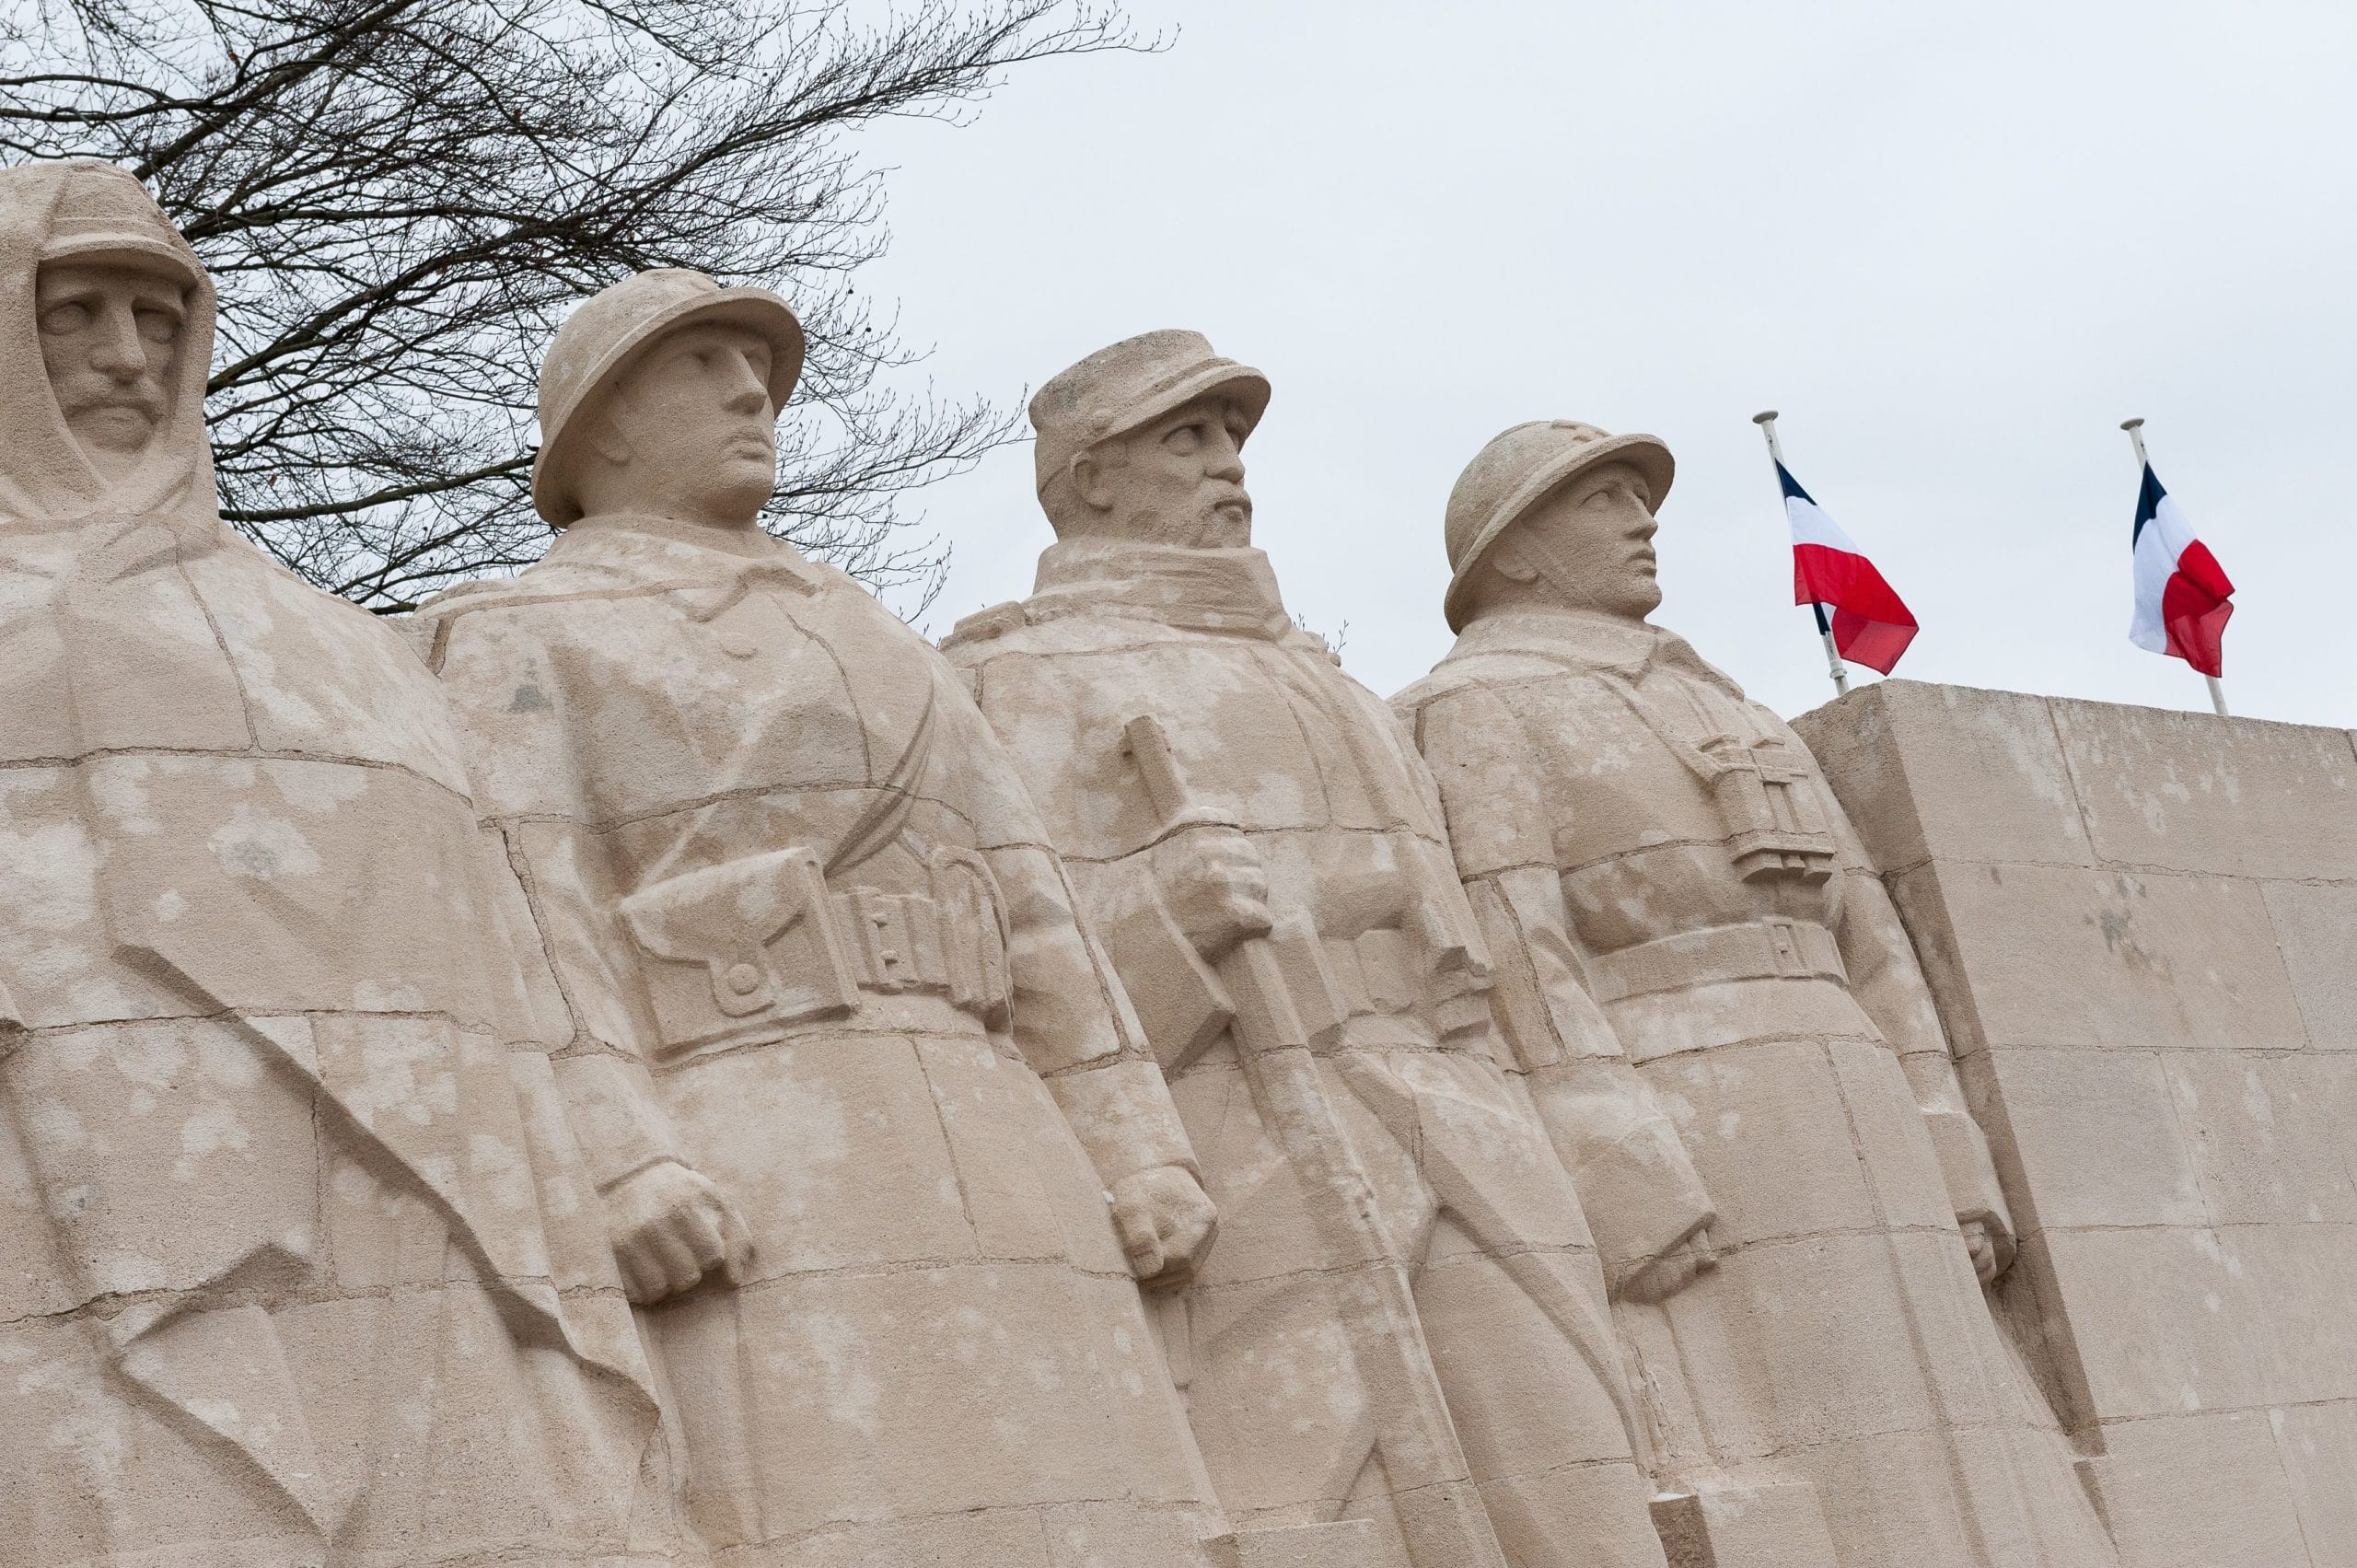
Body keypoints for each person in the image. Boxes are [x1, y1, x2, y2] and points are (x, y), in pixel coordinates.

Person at [413, 271, 1225, 1566]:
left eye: (760, 365)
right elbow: (524, 901)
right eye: (705, 365)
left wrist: (1137, 1141)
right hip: (746, 1133)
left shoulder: (876, 634)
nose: (752, 391)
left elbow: (1028, 892)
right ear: (600, 427)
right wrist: (620, 1155)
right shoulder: (516, 633)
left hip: (999, 1120)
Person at [942, 331, 1702, 1568]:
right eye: (1185, 436)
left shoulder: (1322, 673)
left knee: (1587, 1497)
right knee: (1317, 1507)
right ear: (1090, 482)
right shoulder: (1014, 675)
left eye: (1233, 434)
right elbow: (1017, 977)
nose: (1227, 461)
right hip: (1245, 1125)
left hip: (1463, 1111)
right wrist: (1163, 923)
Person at [0, 159, 667, 1564]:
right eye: (77, 315)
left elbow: (516, 922)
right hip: (95, 1195)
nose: (128, 356)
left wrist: (618, 1155)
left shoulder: (336, 639)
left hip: (430, 1191)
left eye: (158, 317)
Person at [1392, 420, 2122, 1568]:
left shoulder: (1731, 707)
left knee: (1974, 1434)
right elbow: (1519, 939)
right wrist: (1608, 1148)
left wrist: (1945, 1131)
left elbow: (1870, 932)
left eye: (1641, 498)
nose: (1642, 522)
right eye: (1601, 502)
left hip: (1855, 1080)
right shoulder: (1475, 703)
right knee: (1799, 1440)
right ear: (1515, 554)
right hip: (1691, 1103)